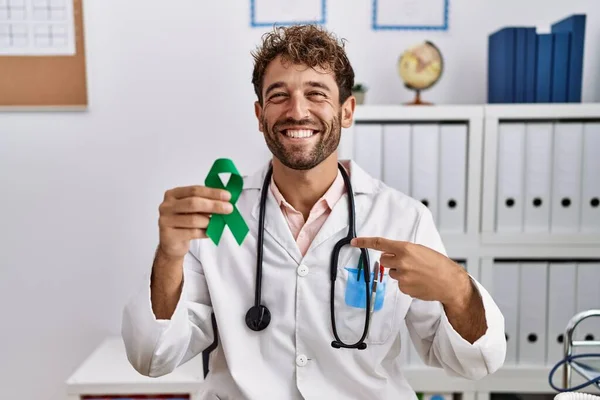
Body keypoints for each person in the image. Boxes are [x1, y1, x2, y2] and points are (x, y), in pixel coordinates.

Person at [121, 24, 506, 399]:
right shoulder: (219, 216)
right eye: (279, 96)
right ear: (260, 115)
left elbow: (474, 363)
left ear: (348, 110)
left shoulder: (403, 218)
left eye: (316, 93)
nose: (297, 111)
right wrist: (169, 256)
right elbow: (152, 357)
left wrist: (458, 290)